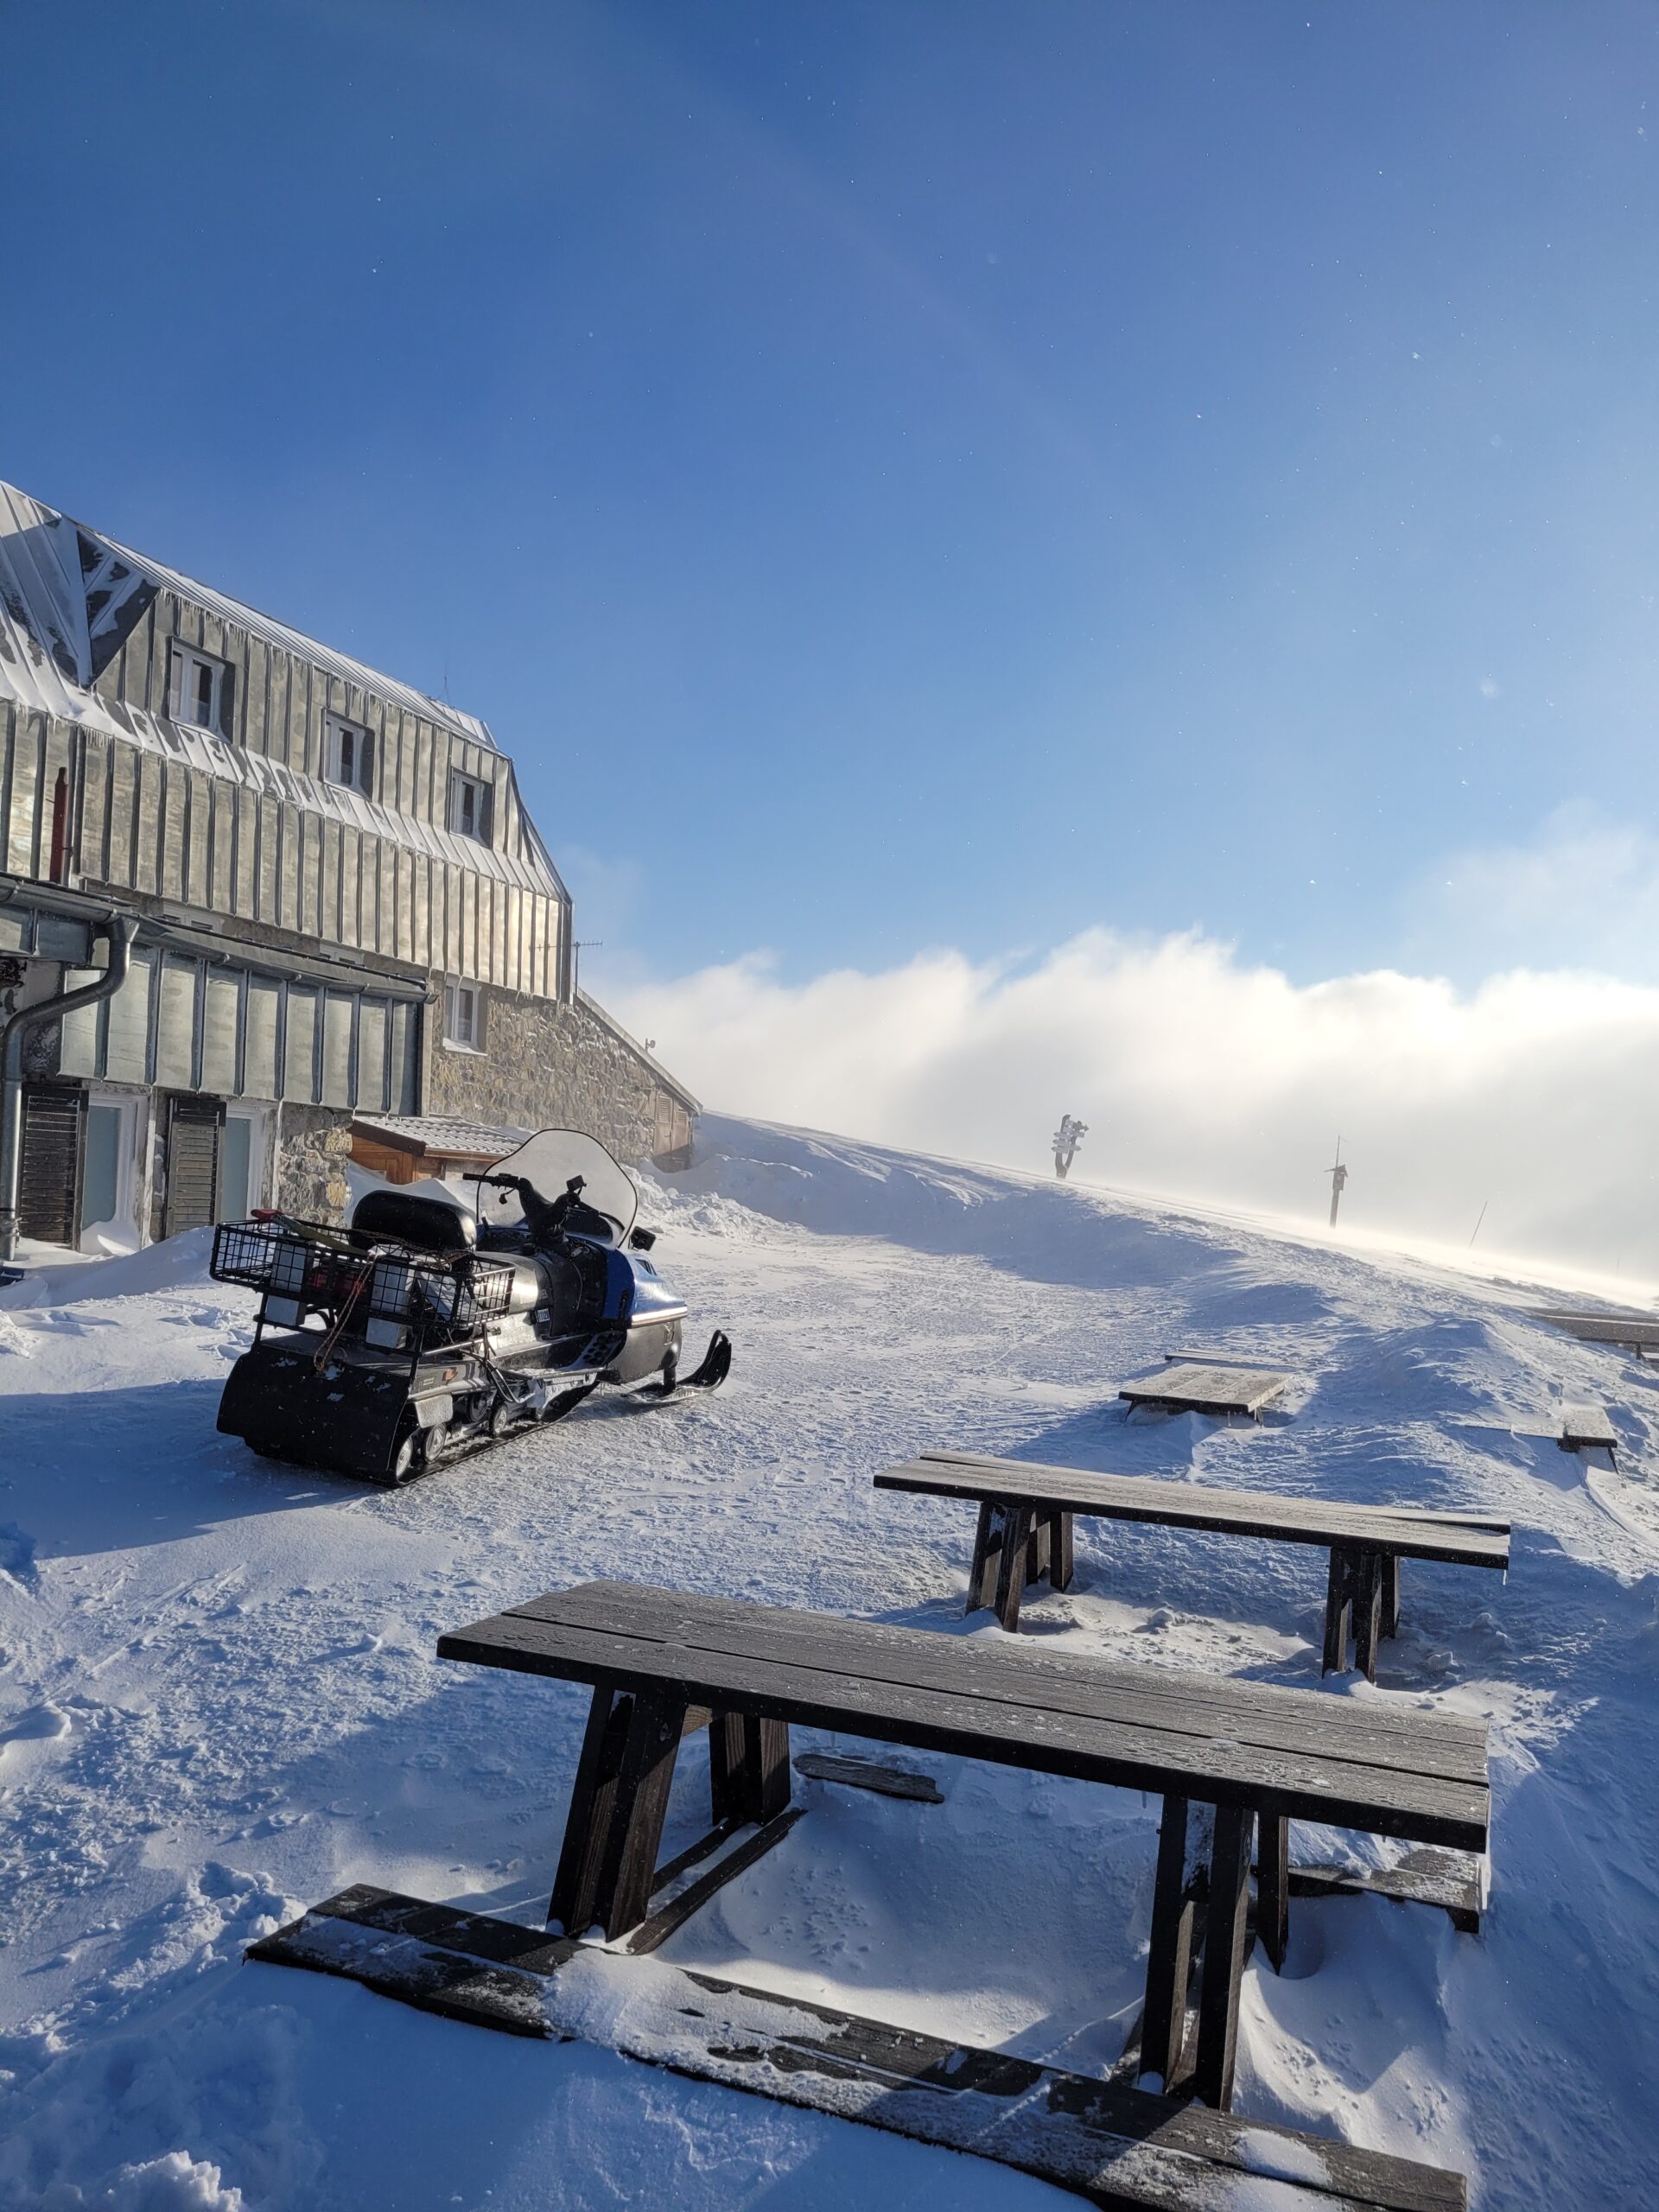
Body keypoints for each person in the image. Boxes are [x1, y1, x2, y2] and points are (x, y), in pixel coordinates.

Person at [1053, 1113, 1087, 1179]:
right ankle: (1075, 1131)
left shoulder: (1061, 1169)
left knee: (1062, 1146)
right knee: (1062, 1147)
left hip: (1062, 1169)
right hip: (1062, 1169)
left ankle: (1071, 1128)